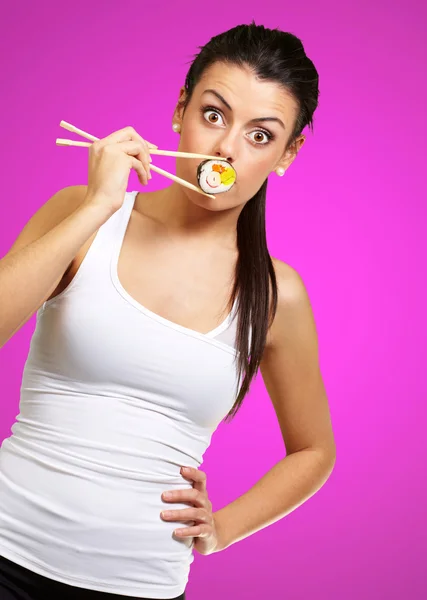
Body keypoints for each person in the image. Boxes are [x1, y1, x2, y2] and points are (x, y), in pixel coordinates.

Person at [0, 21, 336, 600]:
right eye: (213, 114)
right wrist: (98, 205)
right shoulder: (82, 215)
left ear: (288, 153)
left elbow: (314, 451)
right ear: (180, 110)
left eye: (261, 135)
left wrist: (224, 528)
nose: (226, 148)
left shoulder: (279, 296)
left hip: (143, 584)